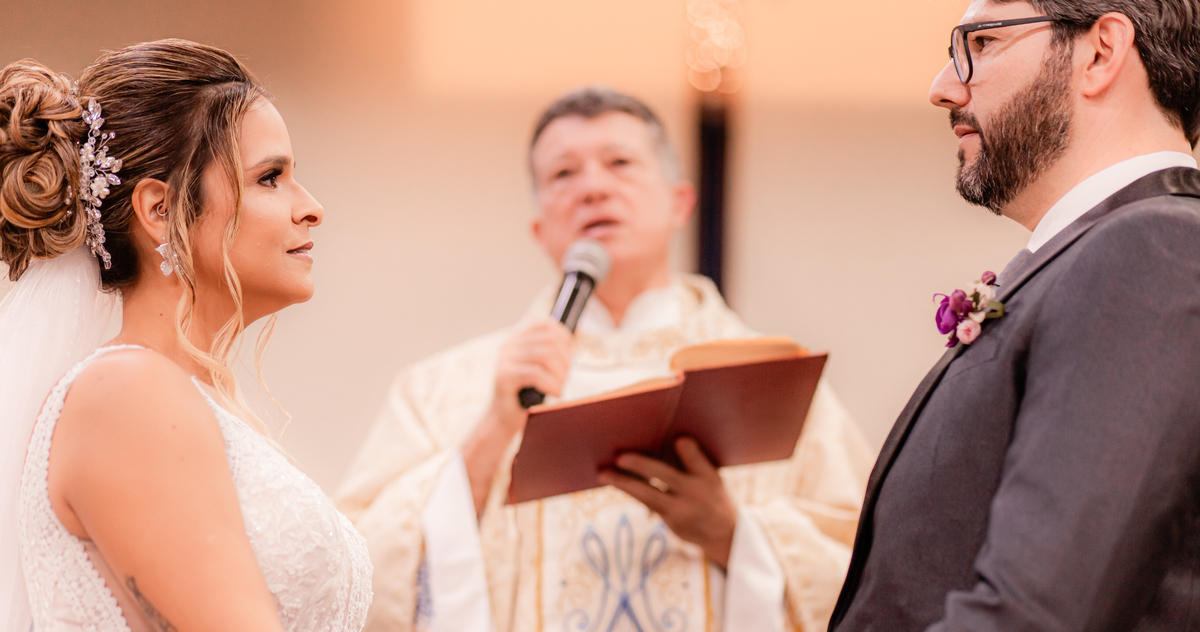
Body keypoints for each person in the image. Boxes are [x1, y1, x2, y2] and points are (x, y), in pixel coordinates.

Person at [336, 87, 873, 632]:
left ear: (679, 203)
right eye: (564, 173)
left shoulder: (769, 381)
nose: (593, 188)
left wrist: (733, 534)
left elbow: (870, 573)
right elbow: (354, 577)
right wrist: (490, 435)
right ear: (540, 229)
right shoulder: (442, 389)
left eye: (620, 163)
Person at [830, 0, 1200, 629]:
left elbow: (1036, 613)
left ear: (1101, 52)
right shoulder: (1097, 253)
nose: (943, 88)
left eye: (982, 43)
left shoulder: (1153, 249)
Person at [0, 40, 372, 631]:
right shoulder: (126, 396)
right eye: (270, 178)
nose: (312, 208)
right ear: (160, 210)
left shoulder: (190, 399)